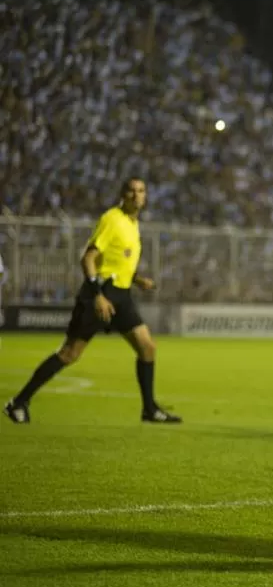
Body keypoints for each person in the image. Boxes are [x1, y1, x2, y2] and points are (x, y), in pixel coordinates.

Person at [4, 177, 181, 425]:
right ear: (123, 193)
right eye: (131, 191)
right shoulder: (112, 219)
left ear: (146, 196)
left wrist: (138, 280)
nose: (135, 195)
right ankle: (18, 402)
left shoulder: (133, 223)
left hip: (121, 295)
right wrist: (97, 295)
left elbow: (116, 261)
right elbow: (88, 259)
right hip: (101, 294)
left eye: (141, 191)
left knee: (147, 347)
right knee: (69, 354)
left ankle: (149, 409)